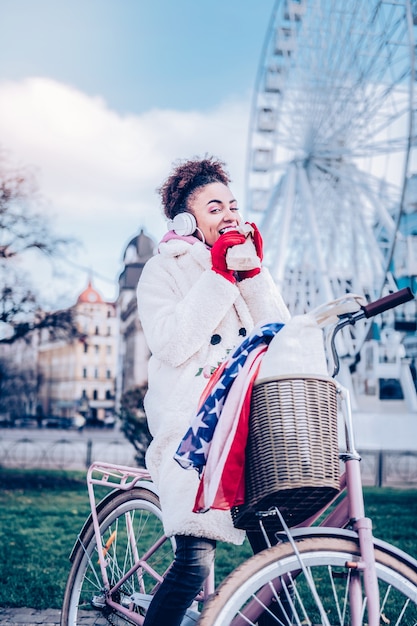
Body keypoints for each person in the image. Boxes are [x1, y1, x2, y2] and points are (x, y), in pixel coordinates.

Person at [136, 156, 290, 626]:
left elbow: (279, 333)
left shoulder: (244, 265)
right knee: (193, 563)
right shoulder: (162, 272)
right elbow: (172, 343)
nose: (229, 214)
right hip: (194, 432)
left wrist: (254, 273)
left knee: (278, 564)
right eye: (214, 206)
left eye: (233, 205)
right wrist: (219, 276)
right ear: (187, 218)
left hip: (248, 425)